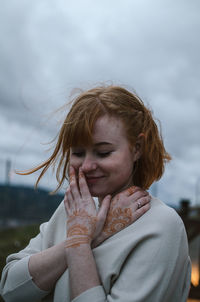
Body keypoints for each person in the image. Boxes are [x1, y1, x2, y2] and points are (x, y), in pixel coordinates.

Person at [0, 85, 191, 302]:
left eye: (103, 152)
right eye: (78, 152)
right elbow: (10, 289)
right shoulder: (74, 208)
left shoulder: (161, 225)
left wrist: (81, 244)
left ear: (137, 148)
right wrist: (86, 236)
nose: (87, 165)